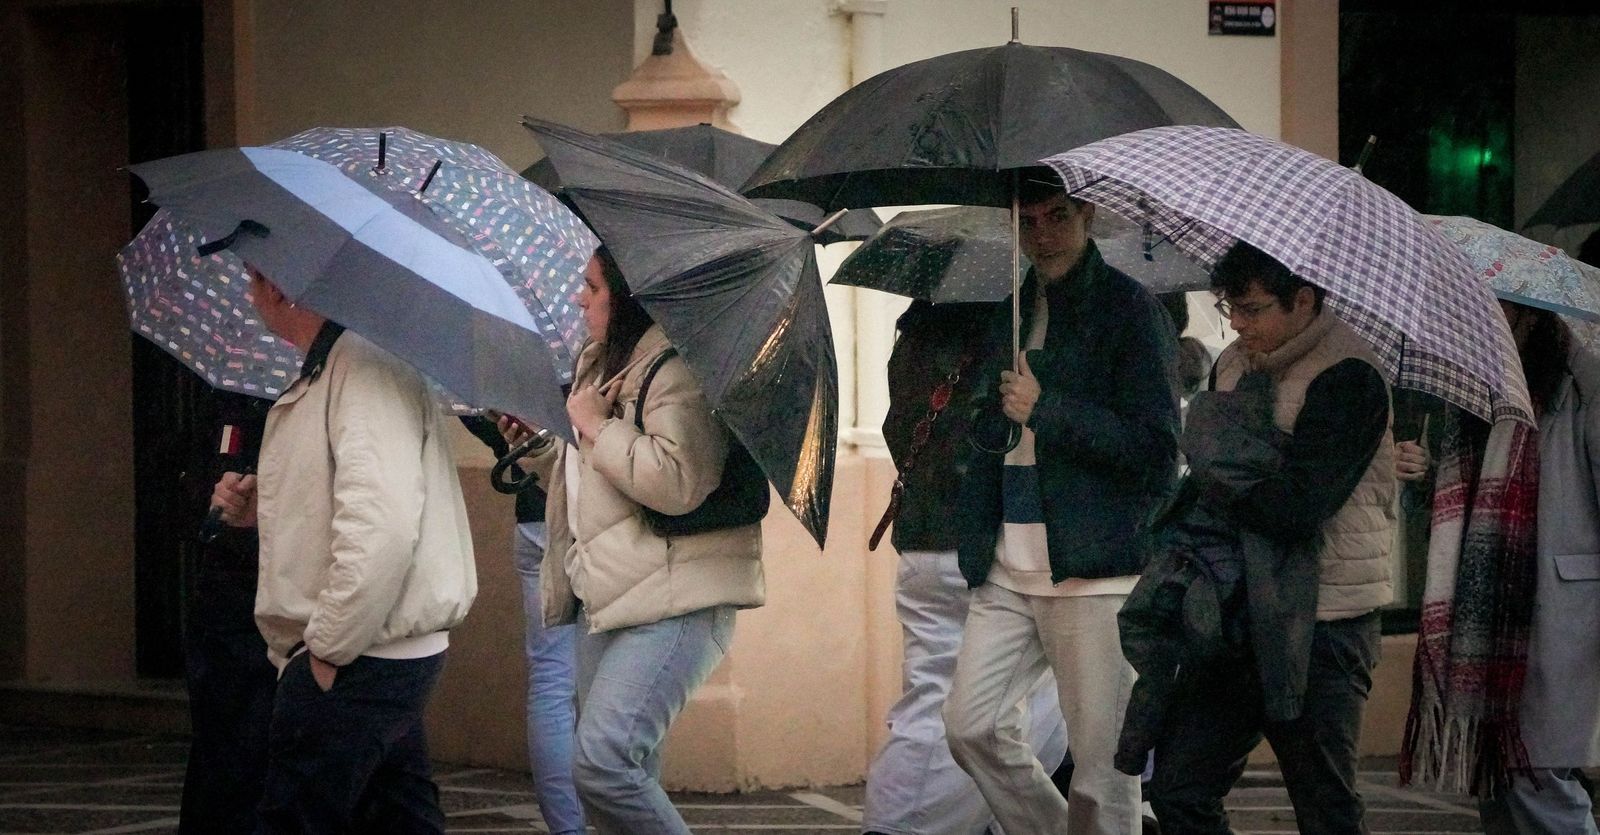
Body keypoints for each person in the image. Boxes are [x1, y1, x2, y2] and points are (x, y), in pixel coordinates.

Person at [943, 173, 1180, 835]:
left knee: (1103, 774)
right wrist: (989, 418)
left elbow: (1158, 449)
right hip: (1007, 563)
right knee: (972, 725)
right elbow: (997, 437)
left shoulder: (1130, 310)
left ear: (1087, 214)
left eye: (1057, 216)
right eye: (1027, 221)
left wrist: (1048, 409)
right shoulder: (1012, 307)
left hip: (1094, 569)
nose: (1042, 235)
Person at [211, 265, 477, 833]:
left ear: (279, 287)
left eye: (252, 280)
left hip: (362, 652)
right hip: (374, 647)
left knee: (296, 818)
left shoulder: (359, 367)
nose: (248, 294)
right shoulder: (333, 366)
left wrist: (327, 651)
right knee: (402, 820)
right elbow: (345, 499)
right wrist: (262, 506)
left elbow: (381, 525)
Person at [1148, 242, 1395, 835]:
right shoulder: (1233, 363)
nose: (1237, 322)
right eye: (1230, 307)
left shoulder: (1348, 373)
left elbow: (1299, 506)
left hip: (1323, 618)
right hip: (1234, 608)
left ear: (1303, 301)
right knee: (1179, 788)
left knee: (1323, 807)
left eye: (1253, 309)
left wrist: (1217, 473)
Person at [523, 247, 765, 834]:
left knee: (603, 765)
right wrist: (539, 445)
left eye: (592, 287)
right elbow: (589, 478)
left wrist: (595, 425)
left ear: (626, 295)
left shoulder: (675, 368)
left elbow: (680, 481)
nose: (580, 298)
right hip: (606, 596)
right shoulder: (599, 365)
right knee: (621, 783)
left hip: (676, 599)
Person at [862, 300, 1069, 835]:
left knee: (947, 695)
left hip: (926, 535)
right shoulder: (1022, 325)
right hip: (988, 541)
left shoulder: (919, 325)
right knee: (990, 707)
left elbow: (898, 426)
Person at [1398, 301, 1600, 835]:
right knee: (1501, 776)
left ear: (1527, 315)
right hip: (1485, 616)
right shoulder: (1475, 389)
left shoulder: (1582, 381)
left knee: (1536, 772)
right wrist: (1426, 476)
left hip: (1558, 611)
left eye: (1491, 313)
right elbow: (1470, 508)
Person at [462, 415, 584, 835]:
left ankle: (568, 828)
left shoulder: (511, 355)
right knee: (617, 676)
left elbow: (472, 409)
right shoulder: (591, 356)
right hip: (594, 516)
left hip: (534, 517)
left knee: (552, 679)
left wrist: (507, 445)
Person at [181, 394, 276, 835]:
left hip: (298, 600)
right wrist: (217, 499)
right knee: (226, 751)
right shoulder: (234, 396)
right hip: (231, 600)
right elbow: (188, 486)